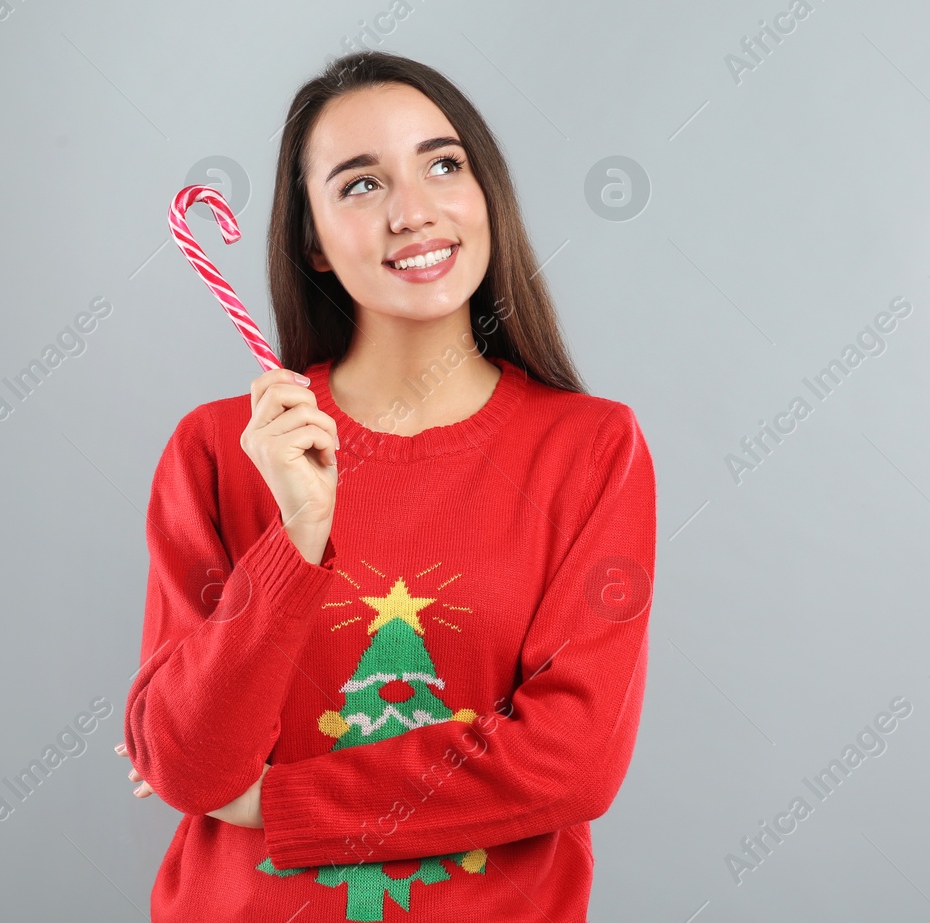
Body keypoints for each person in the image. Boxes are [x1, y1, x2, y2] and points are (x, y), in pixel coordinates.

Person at [115, 50, 656, 922]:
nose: (414, 211)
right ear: (313, 244)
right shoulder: (219, 451)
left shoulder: (591, 450)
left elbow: (572, 758)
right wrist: (296, 533)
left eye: (444, 165)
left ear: (487, 196)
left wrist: (270, 803)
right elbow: (187, 764)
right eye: (361, 186)